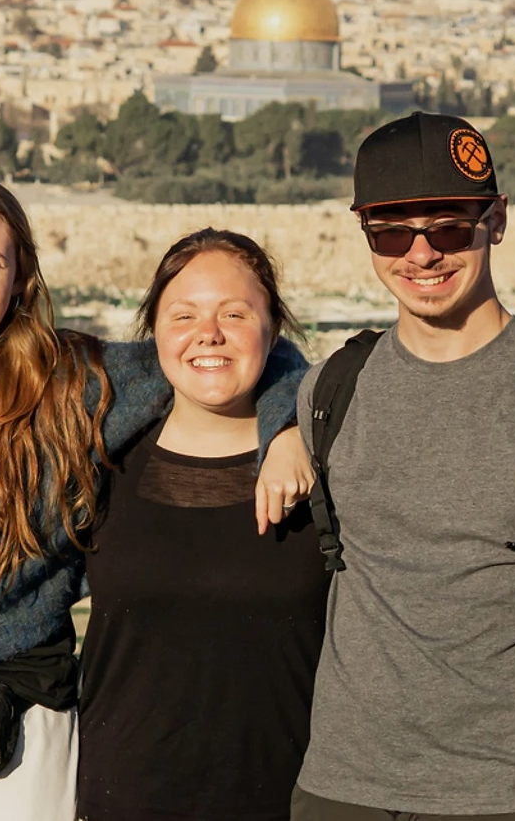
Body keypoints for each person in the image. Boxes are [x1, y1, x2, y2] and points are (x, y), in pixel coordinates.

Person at [0, 175, 309, 820]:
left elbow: (240, 350)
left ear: (20, 278)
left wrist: (285, 429)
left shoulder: (74, 384)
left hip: (21, 728)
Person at [277, 112, 515, 821]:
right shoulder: (329, 390)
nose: (421, 255)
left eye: (448, 228)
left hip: (508, 796)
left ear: (496, 220)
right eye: (391, 233)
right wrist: (281, 437)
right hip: (339, 788)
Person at [76, 229, 330, 821]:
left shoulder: (325, 466)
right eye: (183, 315)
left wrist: (293, 428)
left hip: (289, 803)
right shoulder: (102, 459)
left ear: (274, 330)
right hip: (123, 801)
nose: (208, 333)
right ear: (154, 332)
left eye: (234, 314)